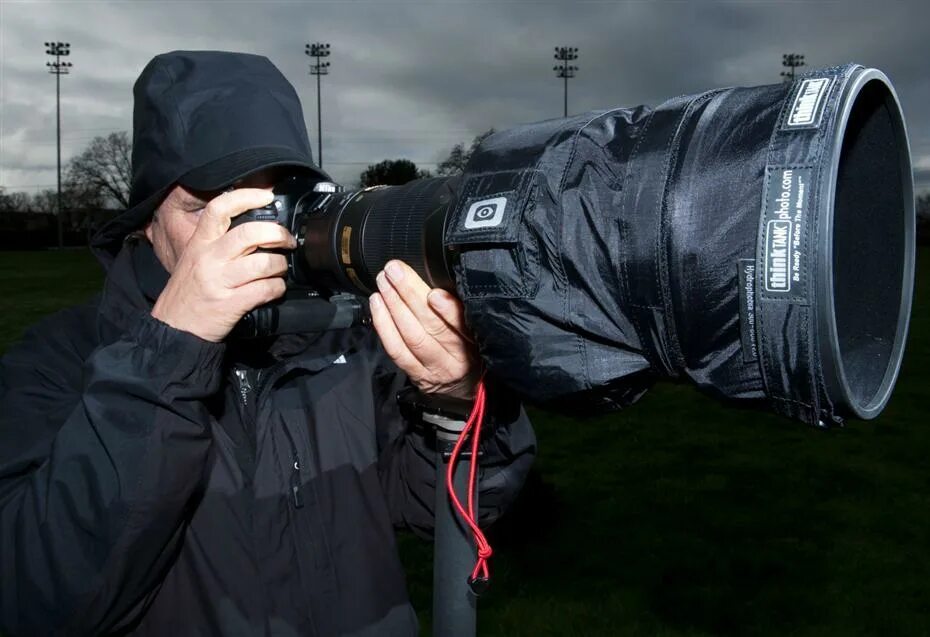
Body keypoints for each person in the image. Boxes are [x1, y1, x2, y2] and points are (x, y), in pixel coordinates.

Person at [0, 50, 535, 636]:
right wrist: (169, 350)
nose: (246, 235)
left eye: (268, 204)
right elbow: (34, 597)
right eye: (206, 209)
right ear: (144, 222)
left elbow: (440, 510)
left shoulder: (340, 339)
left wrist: (458, 401)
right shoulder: (58, 363)